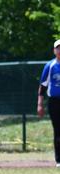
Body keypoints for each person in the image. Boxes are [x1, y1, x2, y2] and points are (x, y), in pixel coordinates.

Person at [37, 39, 60, 167]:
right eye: (58, 48)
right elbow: (43, 86)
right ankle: (59, 160)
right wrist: (40, 104)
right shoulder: (50, 66)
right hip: (55, 102)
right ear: (54, 50)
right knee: (58, 131)